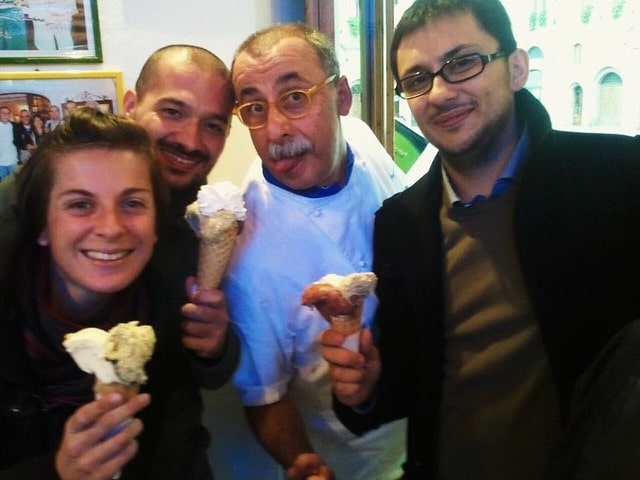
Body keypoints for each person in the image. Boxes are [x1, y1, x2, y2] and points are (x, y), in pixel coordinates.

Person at [319, 1, 640, 479]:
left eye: (463, 62)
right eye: (416, 79)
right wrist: (364, 389)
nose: (441, 92)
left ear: (516, 67)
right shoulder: (401, 223)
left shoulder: (615, 181)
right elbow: (407, 381)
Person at [224, 23, 407, 480]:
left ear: (342, 97)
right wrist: (302, 463)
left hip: (436, 413)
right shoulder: (246, 255)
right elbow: (264, 393)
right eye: (253, 108)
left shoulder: (362, 137)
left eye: (295, 97)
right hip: (358, 460)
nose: (276, 130)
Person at [0, 107, 214, 479]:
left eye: (132, 203)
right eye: (81, 205)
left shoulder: (165, 313)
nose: (111, 228)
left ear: (155, 227)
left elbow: (179, 455)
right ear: (42, 227)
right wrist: (57, 472)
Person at [122, 44, 239, 375]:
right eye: (173, 111)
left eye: (213, 125)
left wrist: (216, 345)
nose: (191, 141)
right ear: (130, 106)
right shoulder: (45, 207)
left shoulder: (196, 237)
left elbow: (201, 375)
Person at [0, 106, 19, 180]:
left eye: (7, 113)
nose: (5, 115)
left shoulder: (15, 126)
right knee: (3, 186)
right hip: (0, 164)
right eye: (3, 113)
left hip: (13, 161)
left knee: (14, 184)